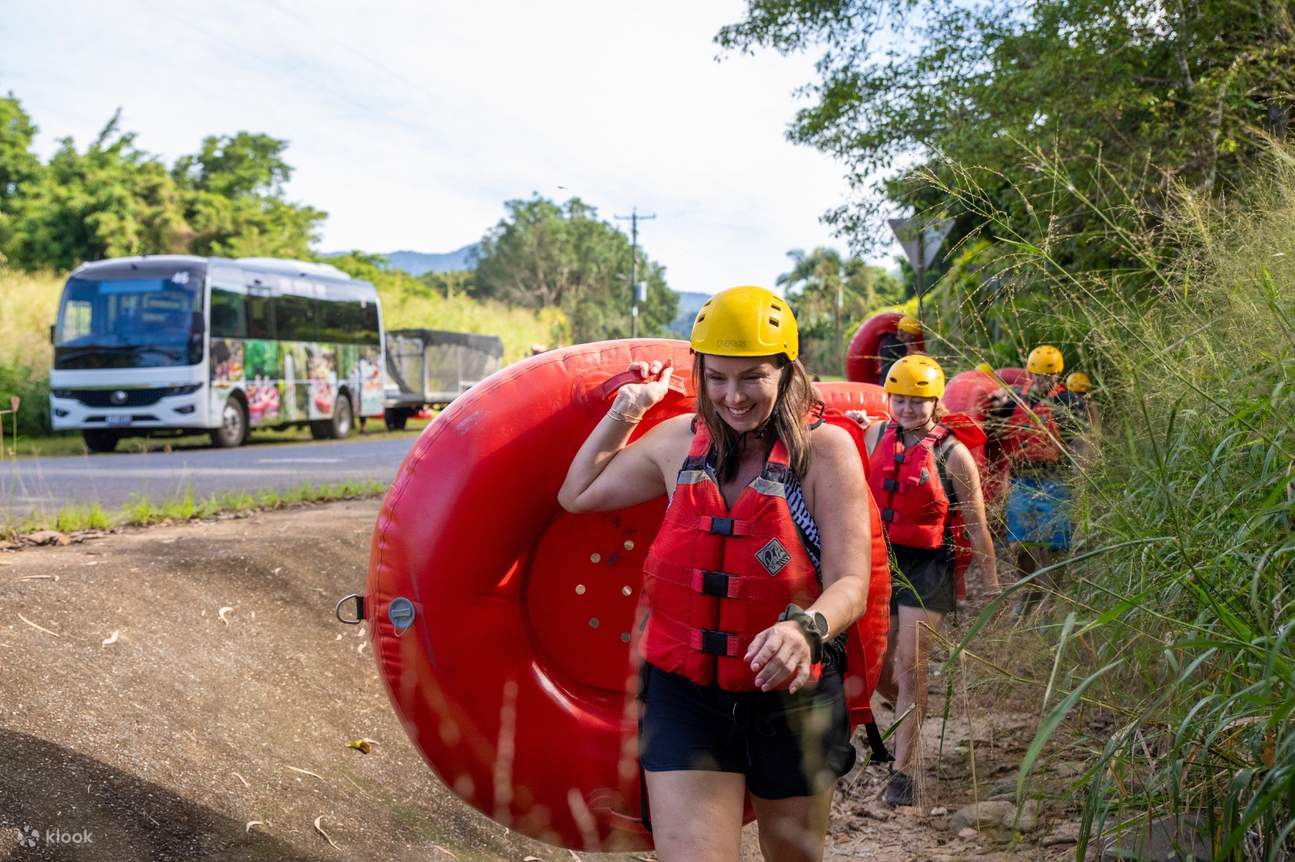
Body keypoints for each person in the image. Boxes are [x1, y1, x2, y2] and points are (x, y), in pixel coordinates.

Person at [558, 286, 873, 862]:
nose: (733, 396)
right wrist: (629, 407)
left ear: (786, 371)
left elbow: (852, 583)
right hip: (686, 695)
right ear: (699, 371)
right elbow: (577, 494)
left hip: (792, 696)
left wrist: (805, 630)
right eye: (717, 377)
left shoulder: (823, 451)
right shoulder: (678, 443)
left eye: (752, 376)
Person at [862, 355, 999, 807]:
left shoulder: (953, 453)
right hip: (882, 557)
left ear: (935, 402)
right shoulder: (874, 434)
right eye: (898, 400)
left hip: (928, 567)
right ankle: (904, 708)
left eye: (917, 402)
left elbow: (978, 525)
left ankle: (903, 771)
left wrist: (993, 584)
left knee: (911, 665)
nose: (906, 409)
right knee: (877, 666)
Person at [988, 344, 1076, 615]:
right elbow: (992, 426)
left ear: (1057, 376)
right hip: (1022, 479)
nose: (1041, 381)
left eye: (1047, 377)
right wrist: (995, 403)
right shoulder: (1015, 397)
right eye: (1037, 375)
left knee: (1055, 543)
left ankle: (1053, 595)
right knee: (1019, 542)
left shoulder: (1069, 402)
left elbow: (1083, 440)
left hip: (1055, 479)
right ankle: (1029, 589)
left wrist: (1080, 472)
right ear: (1028, 373)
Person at [877, 315, 922, 383]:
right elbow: (895, 366)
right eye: (911, 335)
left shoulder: (905, 344)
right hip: (889, 381)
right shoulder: (889, 345)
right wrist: (909, 356)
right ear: (902, 332)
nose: (912, 338)